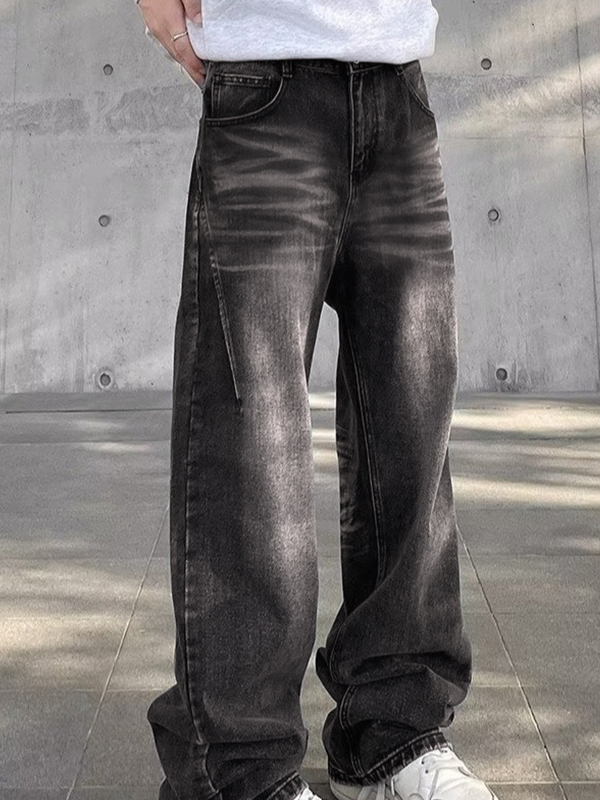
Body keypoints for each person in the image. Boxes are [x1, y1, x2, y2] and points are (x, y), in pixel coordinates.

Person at [135, 2, 498, 799]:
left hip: (397, 80)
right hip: (265, 85)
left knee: (411, 432)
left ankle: (393, 737)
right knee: (249, 445)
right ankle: (237, 773)